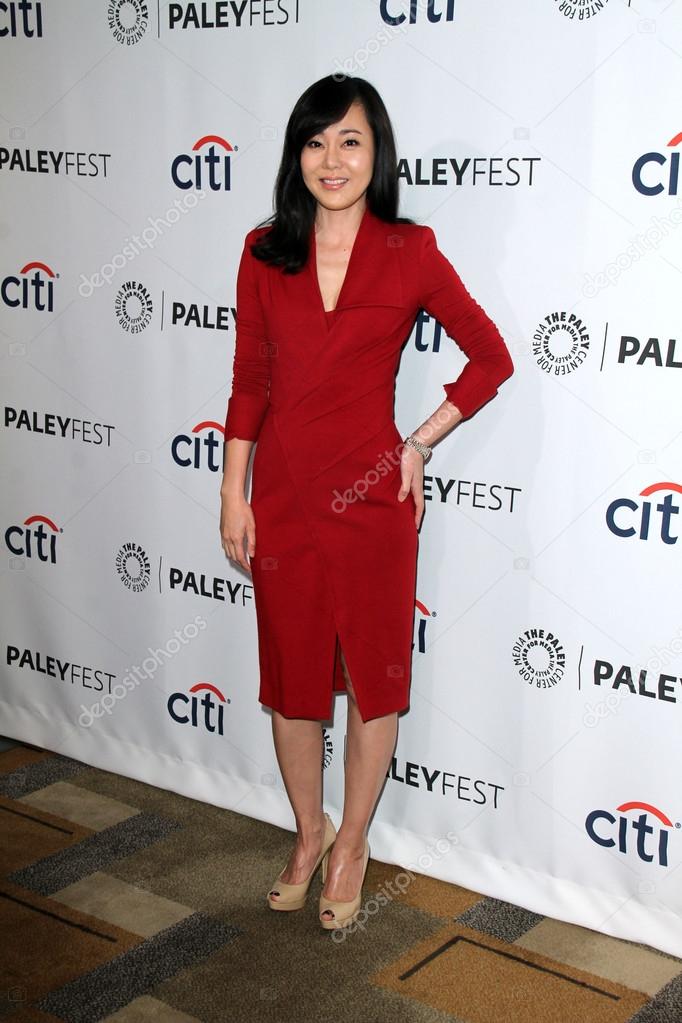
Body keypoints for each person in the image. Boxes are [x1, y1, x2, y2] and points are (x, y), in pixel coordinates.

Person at [219, 74, 513, 931]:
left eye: (349, 140)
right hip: (282, 498)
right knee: (293, 686)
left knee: (374, 684)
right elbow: (249, 379)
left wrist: (419, 442)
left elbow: (490, 357)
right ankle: (308, 833)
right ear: (296, 155)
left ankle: (353, 842)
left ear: (376, 151)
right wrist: (233, 491)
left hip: (373, 502)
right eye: (315, 142)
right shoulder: (264, 250)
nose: (332, 159)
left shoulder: (409, 250)